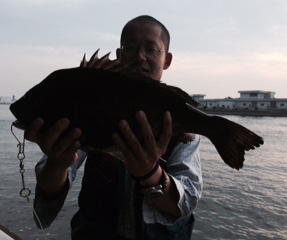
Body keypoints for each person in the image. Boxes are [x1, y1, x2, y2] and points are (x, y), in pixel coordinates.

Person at [25, 15, 202, 240]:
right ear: (118, 56)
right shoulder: (92, 96)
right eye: (130, 47)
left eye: (151, 49)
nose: (140, 56)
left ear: (166, 60)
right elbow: (49, 191)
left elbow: (186, 201)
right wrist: (58, 164)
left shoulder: (179, 123)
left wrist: (151, 175)